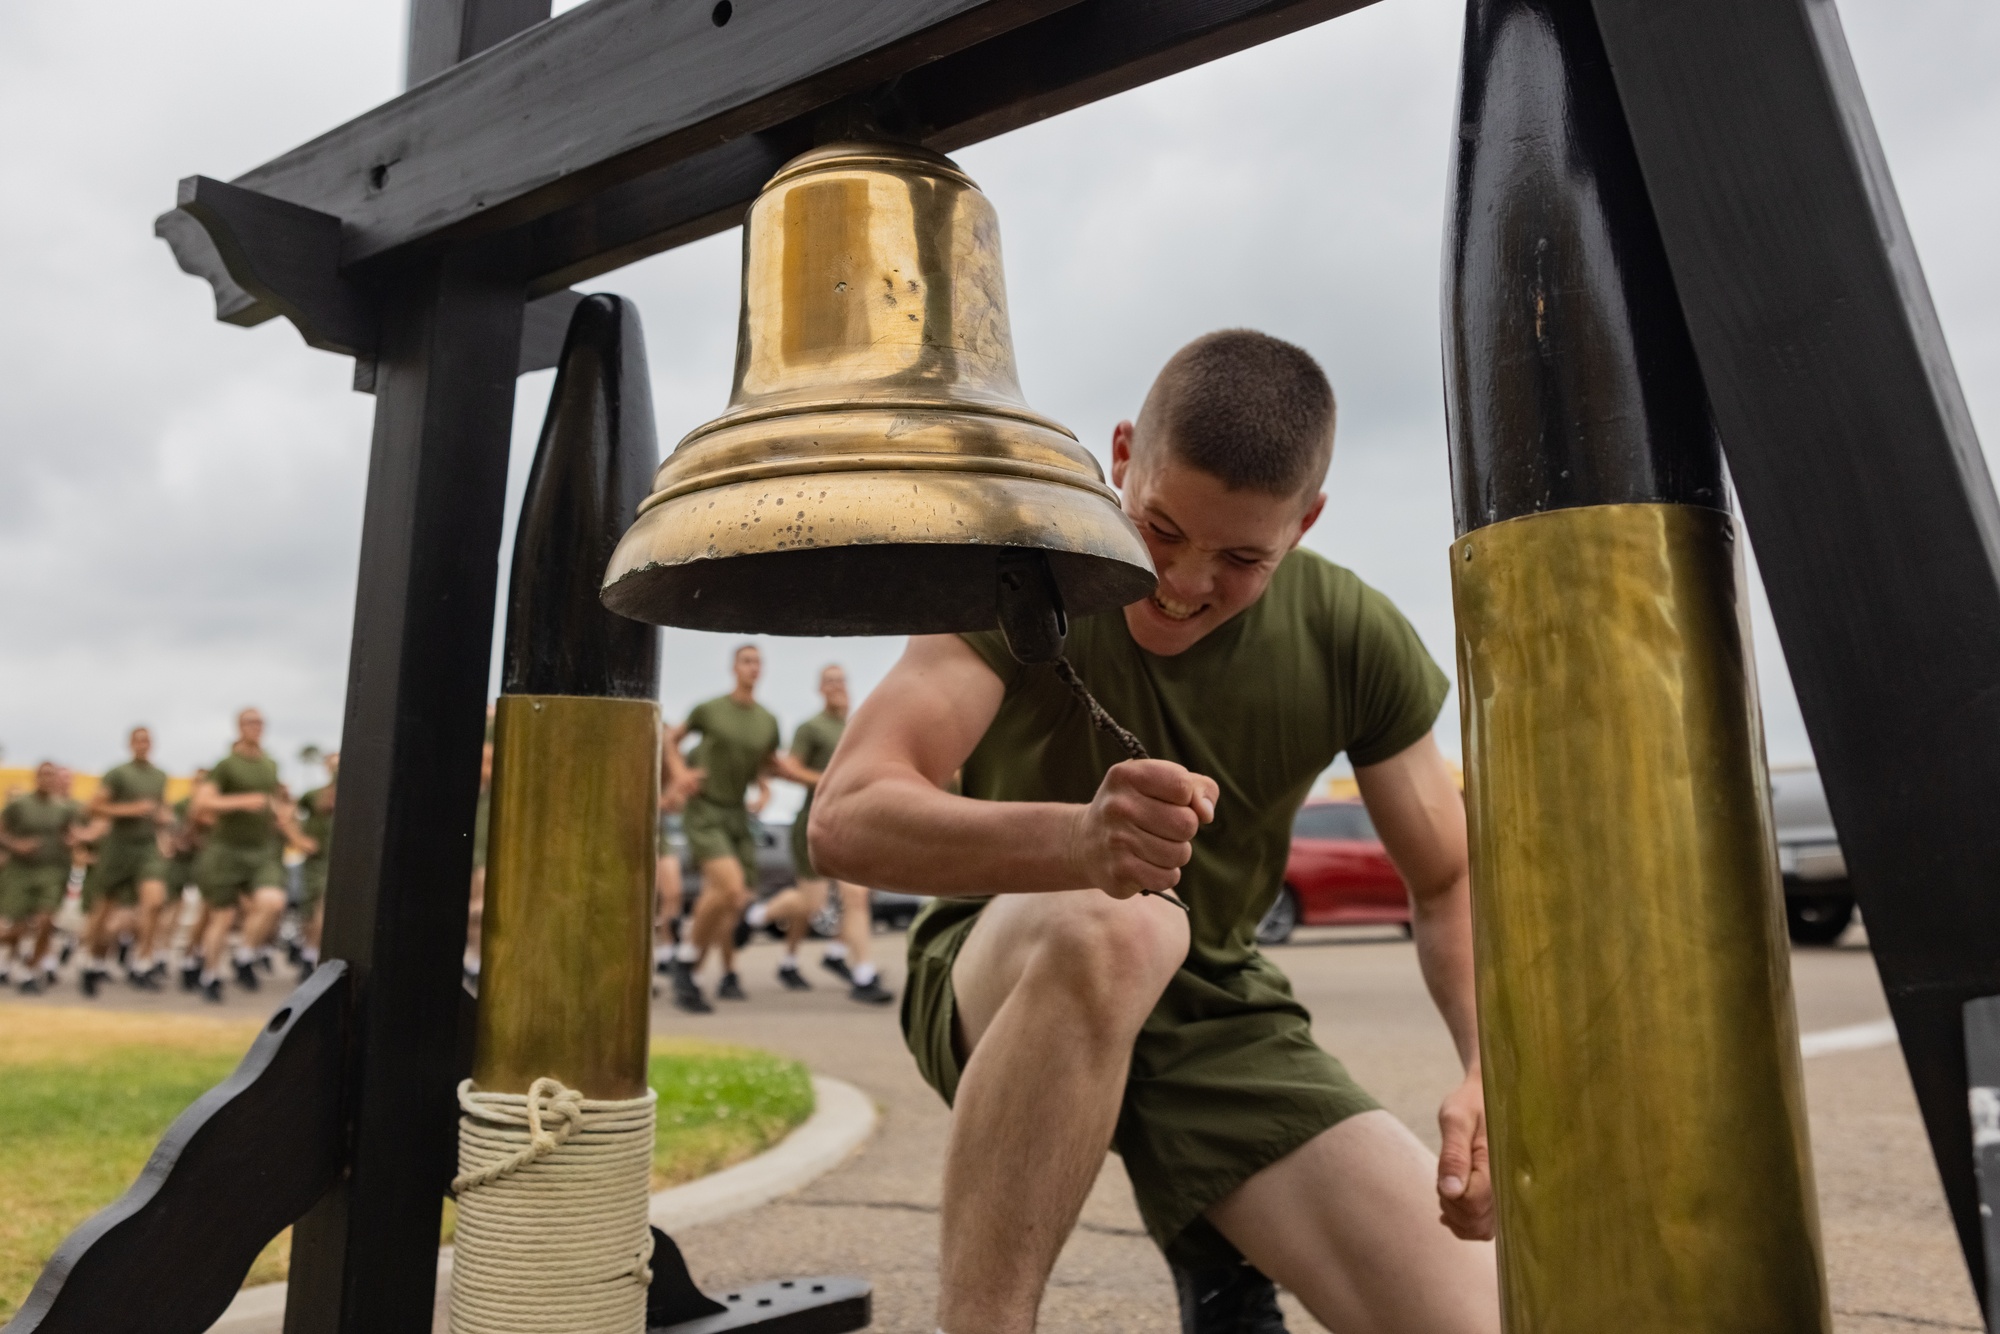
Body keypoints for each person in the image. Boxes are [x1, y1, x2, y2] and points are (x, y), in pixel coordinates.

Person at [814, 331, 1499, 1334]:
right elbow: (845, 814)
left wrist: (1485, 1068)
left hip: (1213, 1012)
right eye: (1161, 529)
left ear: (1302, 524)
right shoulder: (1024, 575)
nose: (1180, 580)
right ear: (1121, 454)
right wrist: (1075, 844)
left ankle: (1208, 1232)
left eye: (1239, 557)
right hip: (997, 971)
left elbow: (1445, 878)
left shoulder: (1351, 634)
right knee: (1122, 926)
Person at [663, 643, 803, 1013]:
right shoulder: (709, 710)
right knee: (729, 886)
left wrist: (768, 787)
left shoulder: (767, 721)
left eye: (758, 662)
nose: (753, 667)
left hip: (737, 815)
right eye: (746, 660)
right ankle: (685, 958)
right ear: (734, 667)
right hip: (705, 808)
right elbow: (670, 739)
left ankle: (693, 972)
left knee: (733, 900)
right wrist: (680, 774)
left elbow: (768, 763)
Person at [751, 665, 892, 1004]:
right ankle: (756, 915)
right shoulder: (810, 728)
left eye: (841, 680)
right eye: (829, 681)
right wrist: (828, 782)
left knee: (857, 896)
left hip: (852, 823)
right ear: (819, 689)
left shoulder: (854, 727)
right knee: (810, 904)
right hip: (816, 821)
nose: (836, 686)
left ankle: (860, 973)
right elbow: (789, 768)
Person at [191, 709, 306, 1002]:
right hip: (226, 851)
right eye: (251, 722)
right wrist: (242, 800)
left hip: (261, 852)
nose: (257, 727)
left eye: (260, 723)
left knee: (274, 902)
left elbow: (276, 804)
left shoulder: (269, 765)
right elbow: (203, 802)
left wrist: (286, 821)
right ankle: (210, 975)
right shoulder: (226, 765)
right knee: (223, 917)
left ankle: (243, 956)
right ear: (239, 727)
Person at [77, 726, 173, 994]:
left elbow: (161, 808)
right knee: (104, 911)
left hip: (146, 847)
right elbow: (93, 807)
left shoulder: (159, 775)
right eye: (138, 740)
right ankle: (93, 961)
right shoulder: (118, 773)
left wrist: (164, 822)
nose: (143, 744)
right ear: (130, 744)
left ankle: (142, 963)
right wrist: (130, 809)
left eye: (147, 740)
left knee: (155, 902)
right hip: (117, 847)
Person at [0, 762, 84, 993]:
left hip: (51, 871)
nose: (47, 780)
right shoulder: (19, 805)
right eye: (43, 775)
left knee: (46, 921)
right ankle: (9, 960)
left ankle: (31, 970)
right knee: (16, 928)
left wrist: (74, 841)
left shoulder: (63, 809)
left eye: (51, 776)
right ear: (36, 778)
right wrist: (16, 845)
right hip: (20, 872)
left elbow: (71, 833)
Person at [295, 751, 336, 979]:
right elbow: (288, 812)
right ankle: (309, 955)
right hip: (318, 862)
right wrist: (299, 839)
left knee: (324, 909)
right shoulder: (314, 795)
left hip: (342, 861)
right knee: (314, 911)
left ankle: (311, 956)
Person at [653, 722, 688, 975]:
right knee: (649, 897)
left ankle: (667, 949)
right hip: (634, 830)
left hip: (659, 832)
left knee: (672, 892)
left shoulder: (672, 762)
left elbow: (675, 805)